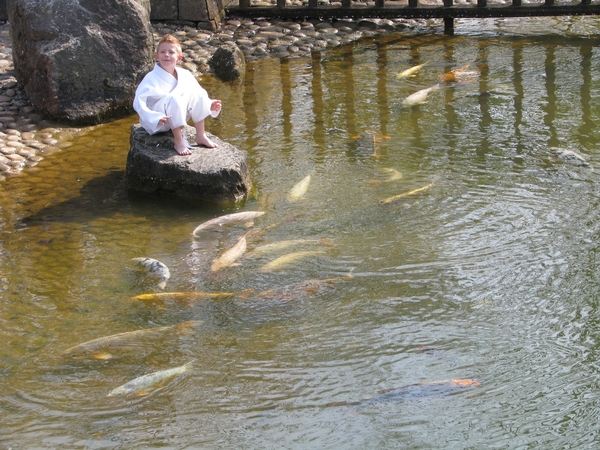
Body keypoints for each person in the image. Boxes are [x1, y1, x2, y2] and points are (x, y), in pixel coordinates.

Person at [133, 34, 222, 155]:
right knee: (175, 98)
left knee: (197, 94)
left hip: (178, 116)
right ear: (157, 56)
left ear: (179, 58)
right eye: (163, 52)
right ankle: (179, 142)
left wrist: (209, 104)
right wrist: (154, 117)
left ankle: (201, 135)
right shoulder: (151, 78)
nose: (167, 55)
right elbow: (139, 101)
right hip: (160, 122)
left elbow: (198, 93)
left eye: (171, 52)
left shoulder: (185, 74)